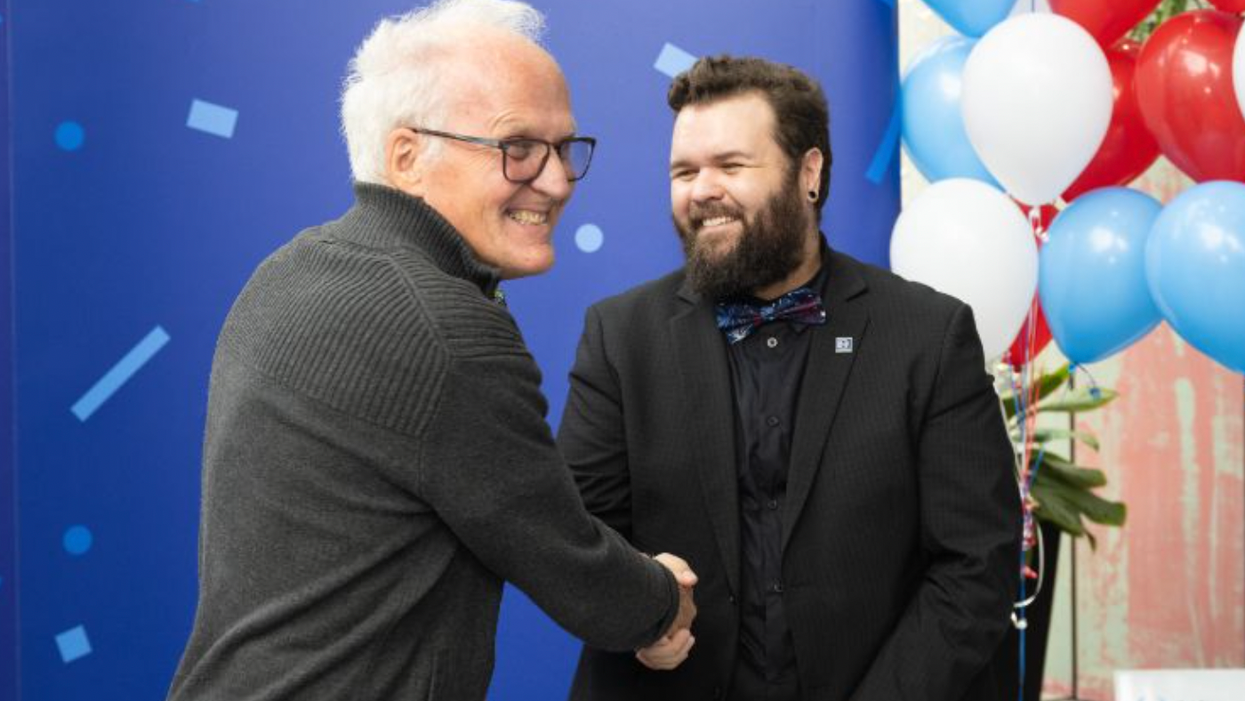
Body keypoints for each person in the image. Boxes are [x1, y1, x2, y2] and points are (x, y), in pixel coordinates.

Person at [165, 2, 697, 700]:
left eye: (564, 148)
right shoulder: (447, 328)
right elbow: (568, 562)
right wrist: (661, 598)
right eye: (517, 147)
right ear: (406, 155)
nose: (557, 181)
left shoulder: (286, 271)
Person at [559, 55, 1021, 701]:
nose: (701, 189)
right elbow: (577, 538)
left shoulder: (926, 334)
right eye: (683, 171)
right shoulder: (620, 336)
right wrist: (636, 613)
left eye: (730, 165)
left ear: (808, 172)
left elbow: (976, 564)